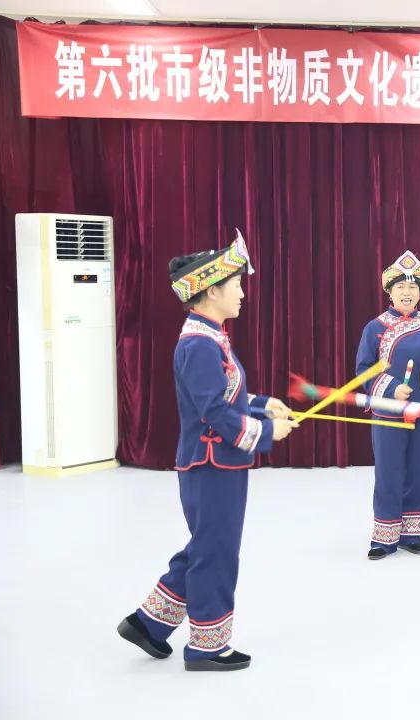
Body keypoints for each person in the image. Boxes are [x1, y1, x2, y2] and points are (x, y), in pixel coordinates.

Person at [117, 232, 297, 671]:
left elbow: (223, 397)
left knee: (208, 544)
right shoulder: (199, 343)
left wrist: (263, 404)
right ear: (211, 291)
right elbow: (213, 412)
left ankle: (148, 624)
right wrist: (266, 431)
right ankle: (206, 646)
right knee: (216, 551)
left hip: (219, 462)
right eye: (235, 285)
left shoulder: (211, 337)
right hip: (210, 463)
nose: (242, 293)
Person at [355, 251, 420, 560]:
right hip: (388, 412)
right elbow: (363, 370)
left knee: (418, 471)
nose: (407, 292)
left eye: (413, 287)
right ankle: (384, 537)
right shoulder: (374, 328)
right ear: (389, 291)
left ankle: (412, 534)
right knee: (389, 471)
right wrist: (390, 388)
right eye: (400, 287)